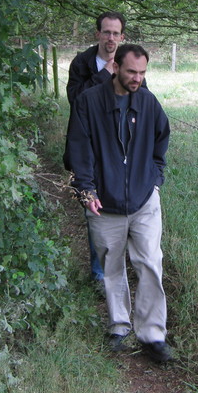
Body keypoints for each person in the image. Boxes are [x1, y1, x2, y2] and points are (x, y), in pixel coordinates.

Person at [67, 43, 173, 363]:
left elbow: (162, 140)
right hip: (103, 202)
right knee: (112, 267)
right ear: (115, 68)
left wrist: (155, 179)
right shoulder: (88, 102)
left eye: (142, 72)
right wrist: (86, 191)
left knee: (150, 263)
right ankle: (119, 327)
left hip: (144, 200)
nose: (137, 78)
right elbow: (78, 150)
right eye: (131, 71)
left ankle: (152, 335)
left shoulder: (149, 103)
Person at [64, 11, 128, 284]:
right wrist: (105, 74)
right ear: (97, 34)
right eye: (106, 32)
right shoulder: (82, 63)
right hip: (89, 148)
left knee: (123, 210)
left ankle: (119, 267)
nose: (111, 38)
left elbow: (140, 97)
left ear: (122, 37)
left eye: (116, 33)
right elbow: (76, 100)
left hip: (120, 148)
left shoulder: (127, 62)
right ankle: (100, 275)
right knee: (95, 210)